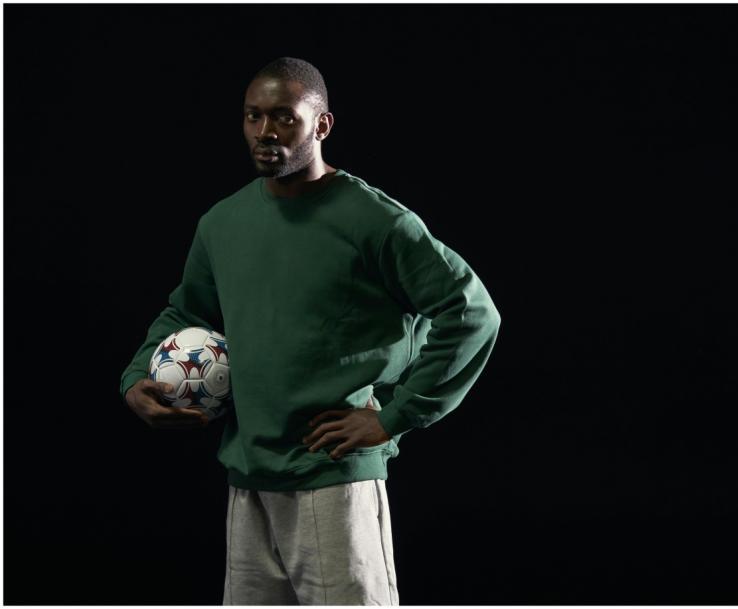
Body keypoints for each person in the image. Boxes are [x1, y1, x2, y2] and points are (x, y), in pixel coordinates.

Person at [119, 56, 501, 606]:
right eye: (253, 116)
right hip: (249, 473)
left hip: (334, 477)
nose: (265, 131)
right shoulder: (222, 222)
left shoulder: (376, 221)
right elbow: (186, 313)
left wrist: (393, 417)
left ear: (321, 125)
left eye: (284, 117)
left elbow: (471, 313)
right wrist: (137, 377)